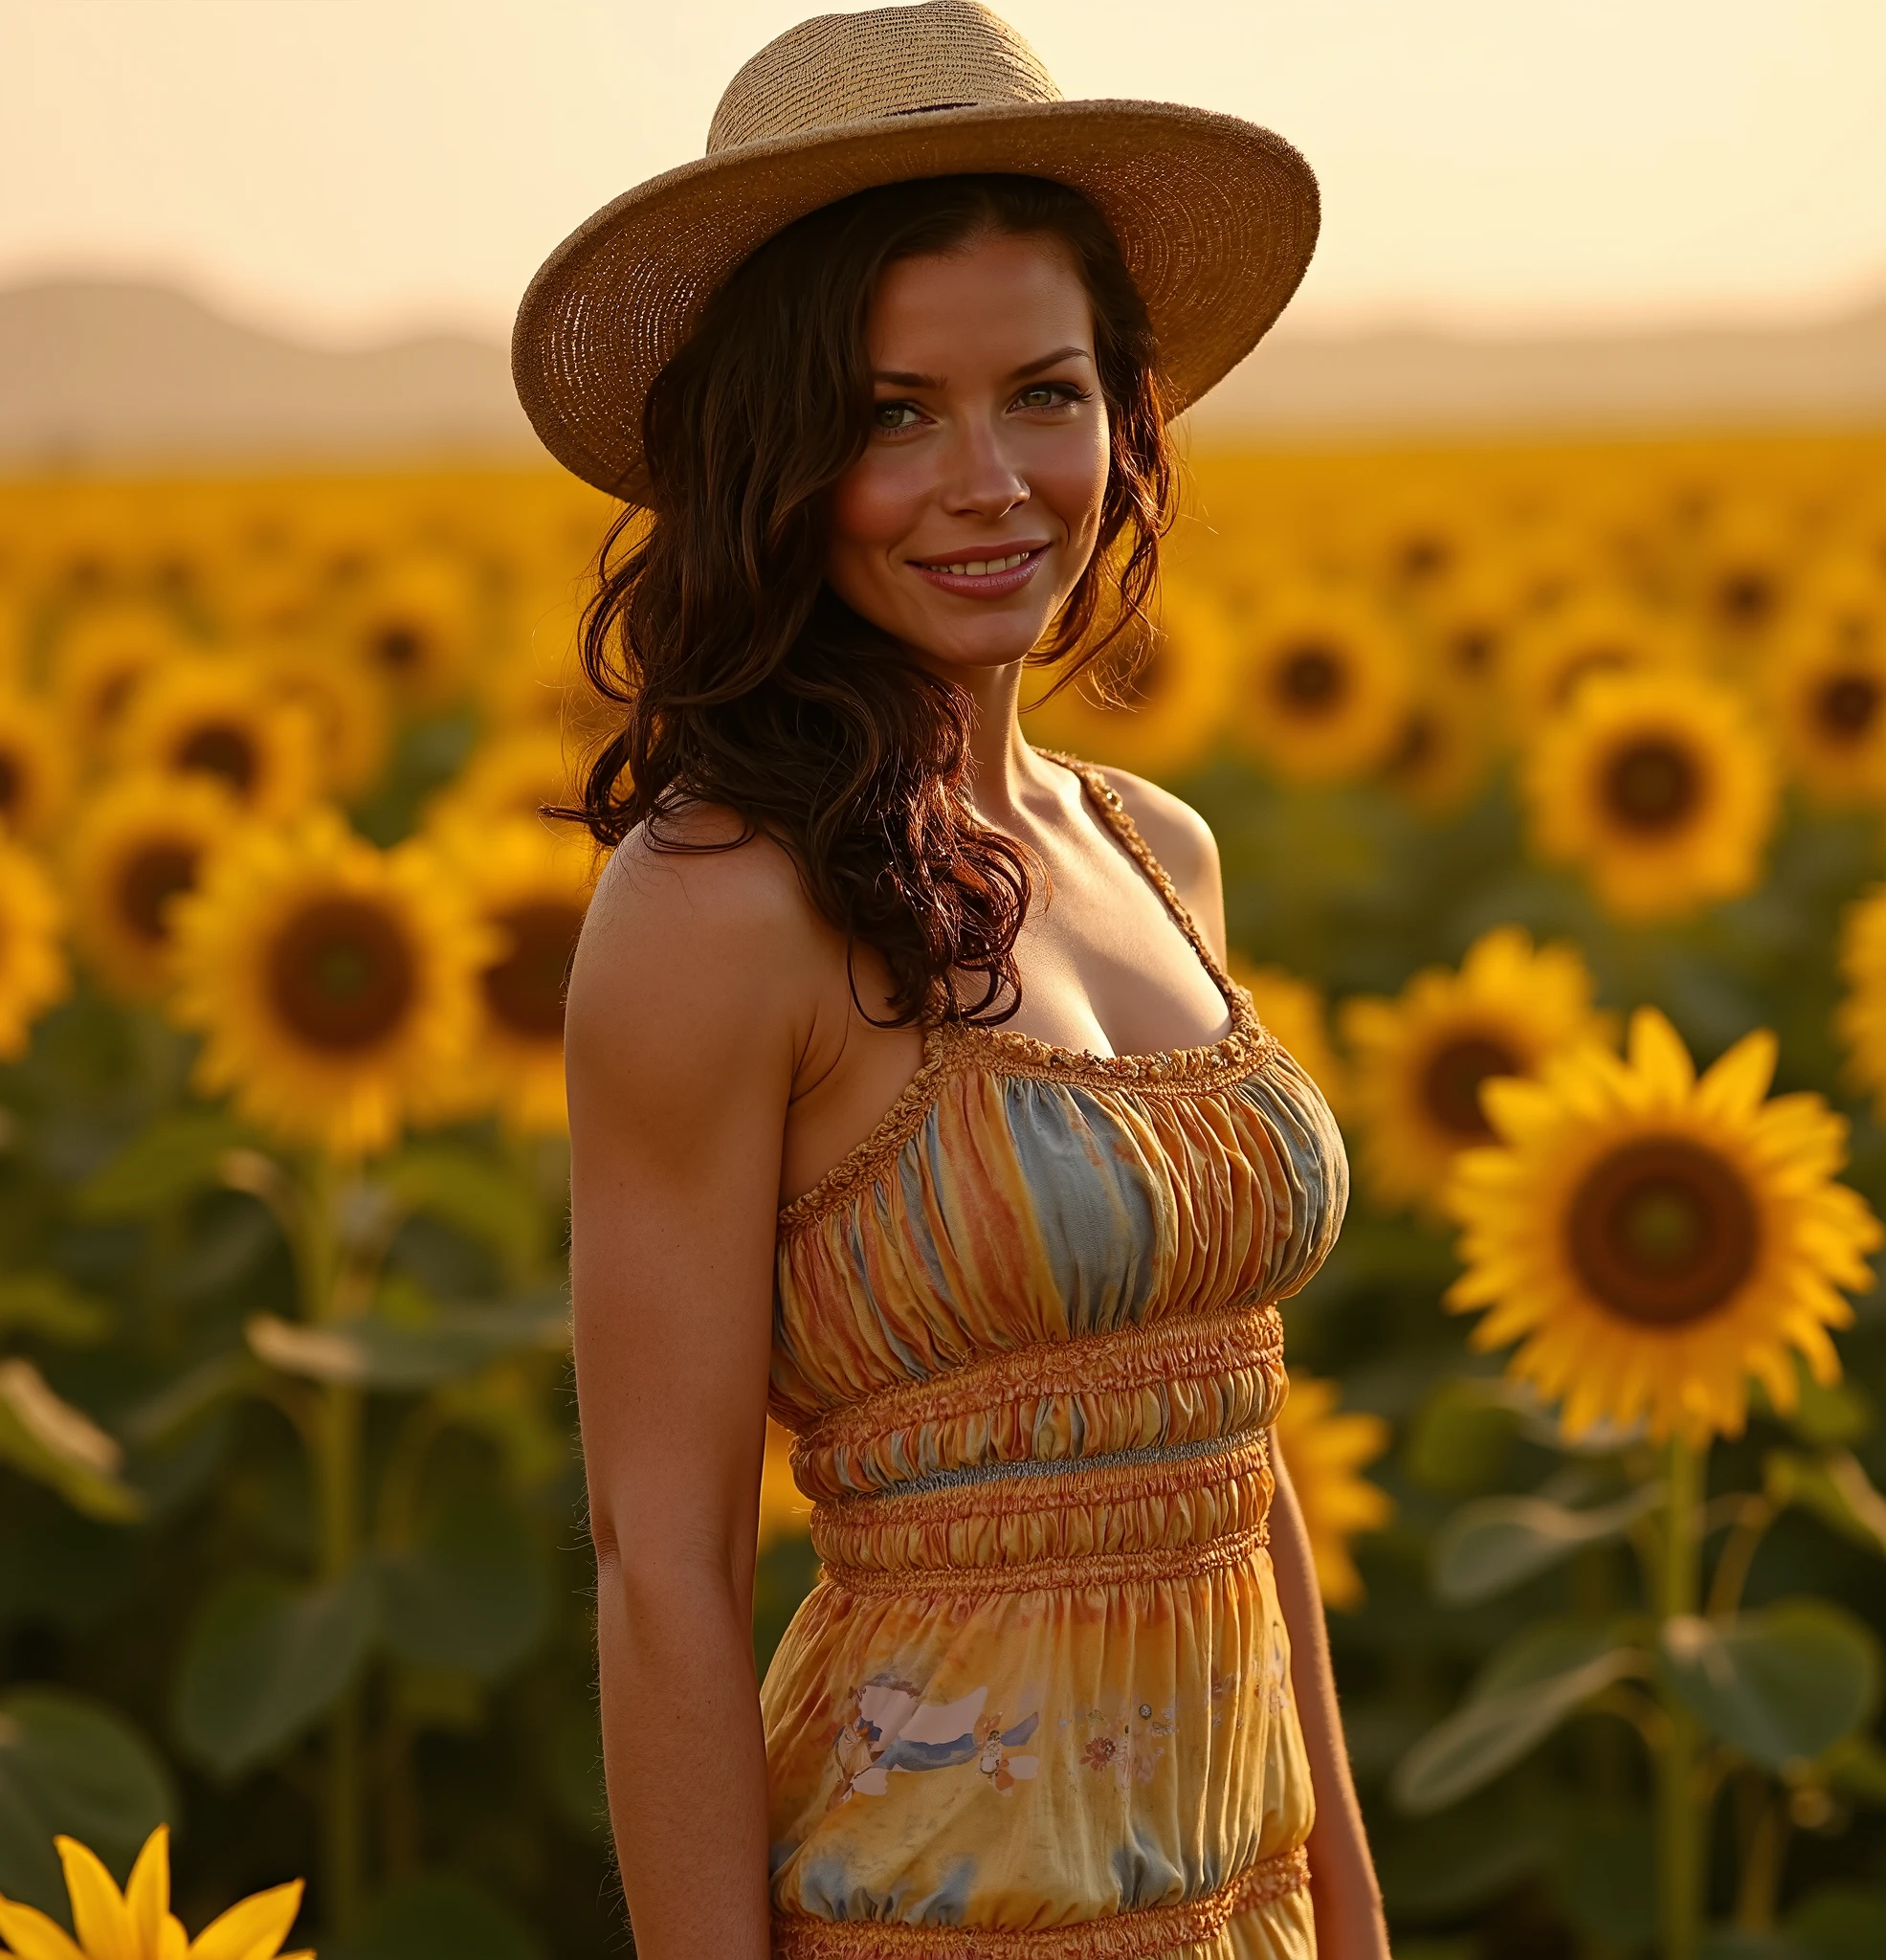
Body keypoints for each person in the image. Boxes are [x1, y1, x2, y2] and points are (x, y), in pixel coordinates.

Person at [515, 2, 1388, 1952]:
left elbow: (1237, 1465)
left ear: (1124, 415)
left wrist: (1346, 1914)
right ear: (778, 454)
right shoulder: (722, 904)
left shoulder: (1163, 854)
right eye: (891, 412)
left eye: (1045, 392)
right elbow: (659, 1562)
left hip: (1230, 1903)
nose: (989, 479)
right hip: (929, 1912)